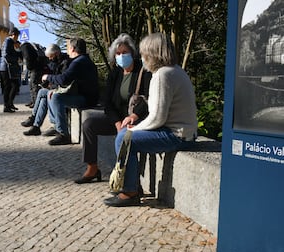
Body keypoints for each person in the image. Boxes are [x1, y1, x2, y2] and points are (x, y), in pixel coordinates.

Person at [104, 32, 198, 207]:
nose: (142, 56)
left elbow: (157, 118)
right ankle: (132, 186)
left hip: (177, 135)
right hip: (185, 133)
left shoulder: (162, 75)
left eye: (143, 52)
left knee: (124, 138)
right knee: (126, 134)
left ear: (152, 53)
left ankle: (130, 191)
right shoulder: (175, 71)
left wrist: (133, 130)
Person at [75, 33, 152, 184]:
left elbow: (148, 99)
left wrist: (134, 116)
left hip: (135, 118)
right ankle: (92, 168)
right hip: (117, 119)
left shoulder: (143, 72)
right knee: (89, 125)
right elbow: (108, 103)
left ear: (132, 53)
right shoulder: (115, 73)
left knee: (125, 136)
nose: (121, 56)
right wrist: (117, 122)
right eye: (118, 53)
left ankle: (127, 179)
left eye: (124, 52)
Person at [42, 37, 99, 145]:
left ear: (73, 49)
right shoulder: (83, 60)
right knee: (50, 93)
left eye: (68, 48)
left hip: (86, 99)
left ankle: (63, 134)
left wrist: (47, 77)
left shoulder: (78, 62)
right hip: (85, 96)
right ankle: (56, 125)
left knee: (56, 97)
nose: (67, 51)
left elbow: (64, 79)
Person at [22, 43, 70, 136]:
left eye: (51, 57)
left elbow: (62, 80)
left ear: (56, 54)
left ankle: (35, 121)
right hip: (58, 88)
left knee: (43, 93)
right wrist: (48, 83)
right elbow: (55, 77)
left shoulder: (65, 63)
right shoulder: (56, 62)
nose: (49, 59)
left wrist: (50, 82)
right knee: (43, 93)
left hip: (64, 91)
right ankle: (36, 126)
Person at [0, 27, 22, 112]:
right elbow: (6, 55)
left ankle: (10, 103)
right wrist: (17, 59)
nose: (17, 38)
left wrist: (19, 52)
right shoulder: (8, 41)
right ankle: (6, 106)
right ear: (13, 35)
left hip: (8, 67)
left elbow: (13, 53)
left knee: (15, 86)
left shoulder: (11, 42)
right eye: (17, 36)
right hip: (6, 68)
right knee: (8, 87)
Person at [20, 42, 47, 108]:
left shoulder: (24, 47)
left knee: (34, 85)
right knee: (32, 85)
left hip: (35, 68)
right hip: (36, 67)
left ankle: (36, 103)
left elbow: (27, 57)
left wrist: (29, 67)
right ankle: (33, 101)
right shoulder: (28, 46)